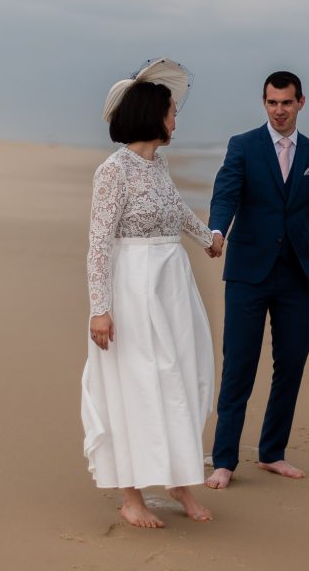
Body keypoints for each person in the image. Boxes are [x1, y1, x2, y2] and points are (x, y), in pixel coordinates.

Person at [81, 58, 220, 528]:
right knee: (136, 383)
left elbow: (177, 211)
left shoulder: (157, 166)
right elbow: (98, 242)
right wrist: (99, 309)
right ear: (152, 115)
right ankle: (131, 494)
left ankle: (178, 479)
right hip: (133, 287)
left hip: (172, 285)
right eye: (172, 112)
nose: (176, 119)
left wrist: (208, 239)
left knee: (179, 376)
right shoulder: (113, 171)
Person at [205, 70, 309, 489]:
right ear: (264, 103)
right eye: (272, 103)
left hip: (294, 274)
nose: (279, 110)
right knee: (239, 364)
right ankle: (224, 459)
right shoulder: (243, 146)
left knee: (291, 363)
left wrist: (295, 245)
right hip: (247, 274)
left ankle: (272, 452)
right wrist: (217, 231)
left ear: (301, 103)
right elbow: (225, 193)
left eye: (287, 103)